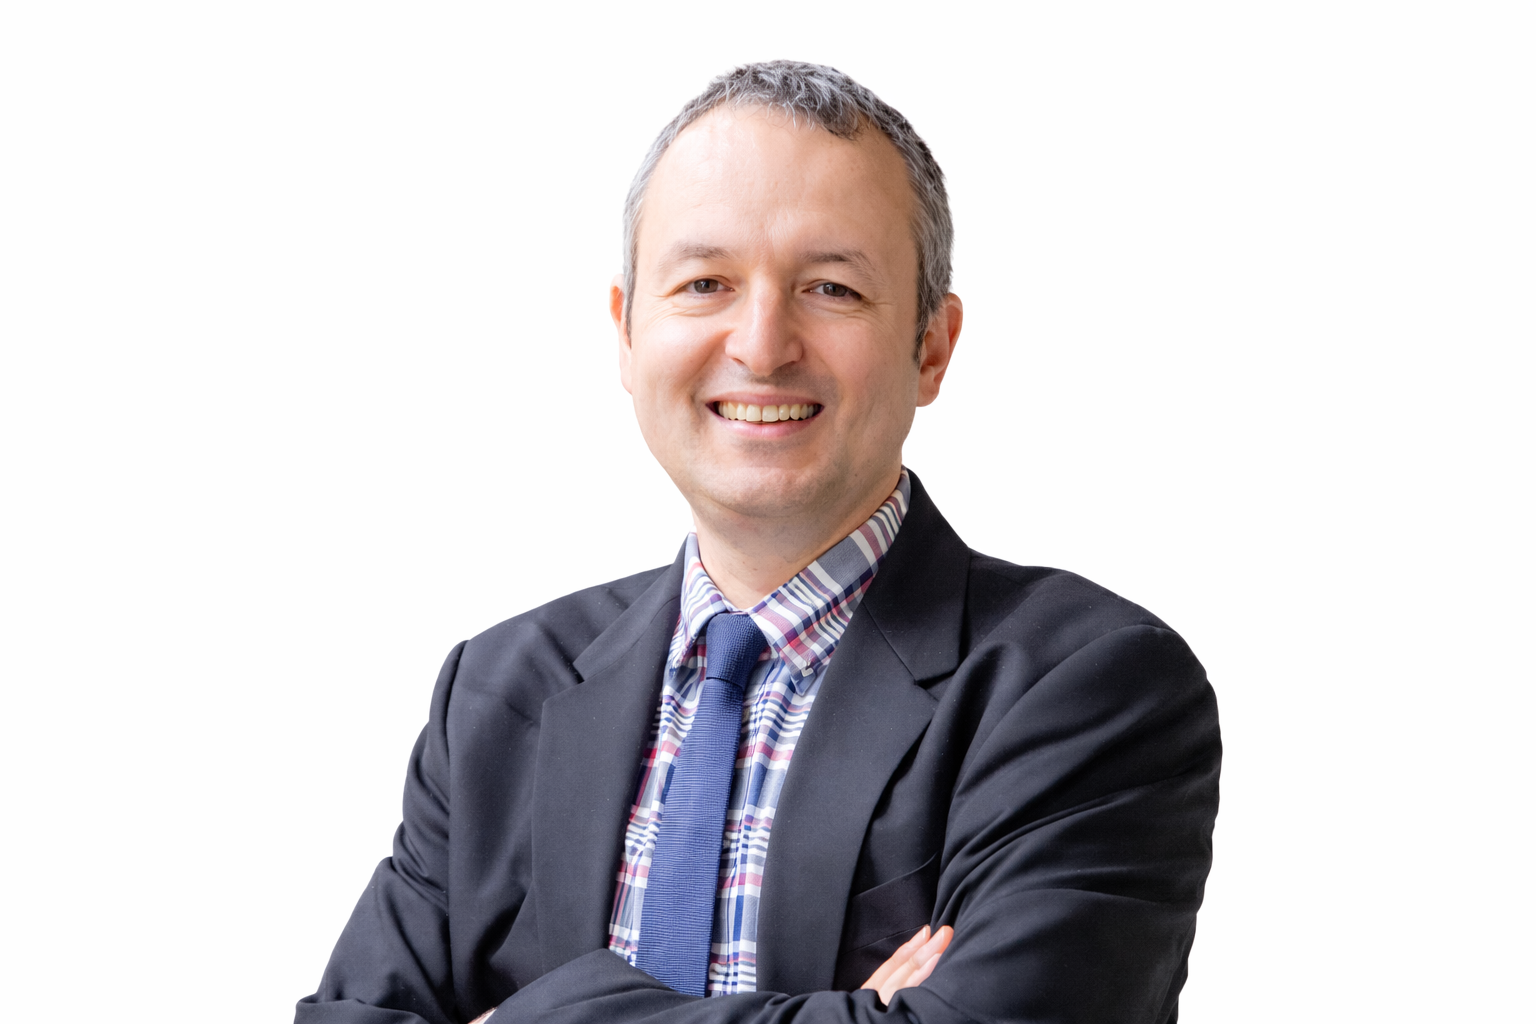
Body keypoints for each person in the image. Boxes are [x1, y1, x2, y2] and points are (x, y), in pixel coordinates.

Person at [297, 61, 1220, 1024]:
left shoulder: (1085, 687)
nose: (762, 344)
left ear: (932, 346)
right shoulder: (497, 694)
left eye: (831, 288)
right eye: (705, 284)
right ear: (626, 333)